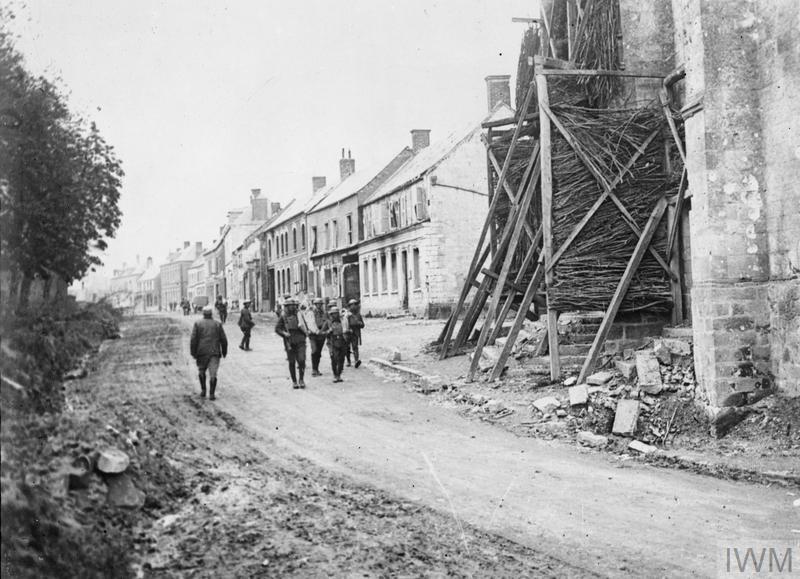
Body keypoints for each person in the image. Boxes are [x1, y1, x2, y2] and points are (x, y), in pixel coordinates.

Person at [190, 305, 228, 400]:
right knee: (213, 374)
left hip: (201, 352)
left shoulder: (198, 324)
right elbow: (224, 340)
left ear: (203, 313)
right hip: (214, 352)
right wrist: (224, 351)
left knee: (201, 371)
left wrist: (193, 352)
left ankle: (203, 390)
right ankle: (211, 394)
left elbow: (193, 340)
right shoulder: (217, 324)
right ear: (211, 314)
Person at [275, 298, 309, 389]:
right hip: (289, 341)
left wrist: (306, 333)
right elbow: (277, 329)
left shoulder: (299, 315)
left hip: (300, 340)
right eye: (290, 305)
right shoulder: (283, 316)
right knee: (292, 362)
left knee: (302, 360)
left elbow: (305, 325)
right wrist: (284, 333)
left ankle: (301, 379)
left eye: (293, 305)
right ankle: (294, 381)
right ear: (286, 307)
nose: (292, 307)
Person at [321, 306, 348, 383]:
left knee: (341, 359)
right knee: (334, 359)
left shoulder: (343, 321)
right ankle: (335, 375)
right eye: (333, 314)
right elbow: (322, 332)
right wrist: (328, 331)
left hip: (342, 341)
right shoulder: (328, 322)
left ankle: (339, 375)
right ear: (331, 314)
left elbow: (347, 329)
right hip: (332, 342)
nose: (335, 315)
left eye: (336, 313)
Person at [307, 298, 328, 376]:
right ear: (315, 305)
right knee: (314, 350)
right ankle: (313, 369)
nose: (319, 305)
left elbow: (326, 322)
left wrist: (323, 331)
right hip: (313, 334)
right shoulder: (311, 312)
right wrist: (316, 331)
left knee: (318, 352)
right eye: (318, 304)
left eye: (320, 304)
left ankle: (316, 369)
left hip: (321, 334)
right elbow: (310, 323)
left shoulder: (324, 313)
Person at [345, 298, 364, 368]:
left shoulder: (358, 315)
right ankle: (348, 361)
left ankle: (356, 360)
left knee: (355, 347)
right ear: (349, 306)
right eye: (352, 305)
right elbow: (344, 324)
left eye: (355, 305)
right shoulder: (346, 315)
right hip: (347, 333)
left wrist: (359, 323)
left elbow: (363, 325)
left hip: (355, 333)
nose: (354, 306)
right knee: (347, 348)